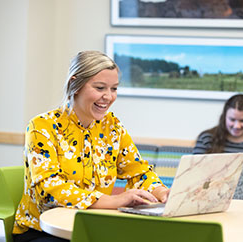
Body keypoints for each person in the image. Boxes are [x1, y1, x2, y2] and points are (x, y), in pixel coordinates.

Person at [13, 51, 170, 241]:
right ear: (75, 85)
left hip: (92, 228)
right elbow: (49, 190)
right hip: (43, 231)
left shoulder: (113, 127)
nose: (109, 97)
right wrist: (113, 201)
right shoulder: (41, 127)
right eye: (100, 88)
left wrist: (162, 192)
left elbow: (138, 171)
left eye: (114, 89)